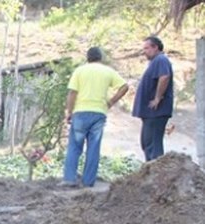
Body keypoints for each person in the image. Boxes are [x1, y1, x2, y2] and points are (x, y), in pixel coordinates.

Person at [62, 47, 128, 188]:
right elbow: (124, 86)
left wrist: (69, 111)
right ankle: (88, 182)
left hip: (80, 112)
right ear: (101, 57)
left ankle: (69, 179)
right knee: (93, 148)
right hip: (99, 112)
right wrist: (111, 101)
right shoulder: (108, 71)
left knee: (74, 147)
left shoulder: (80, 71)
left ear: (87, 58)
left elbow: (72, 93)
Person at [132, 36, 174, 161]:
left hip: (156, 112)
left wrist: (157, 98)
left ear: (155, 47)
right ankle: (151, 172)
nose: (144, 51)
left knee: (153, 145)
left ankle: (157, 175)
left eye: (147, 48)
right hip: (150, 113)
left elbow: (164, 77)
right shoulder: (155, 61)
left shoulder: (161, 59)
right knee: (147, 142)